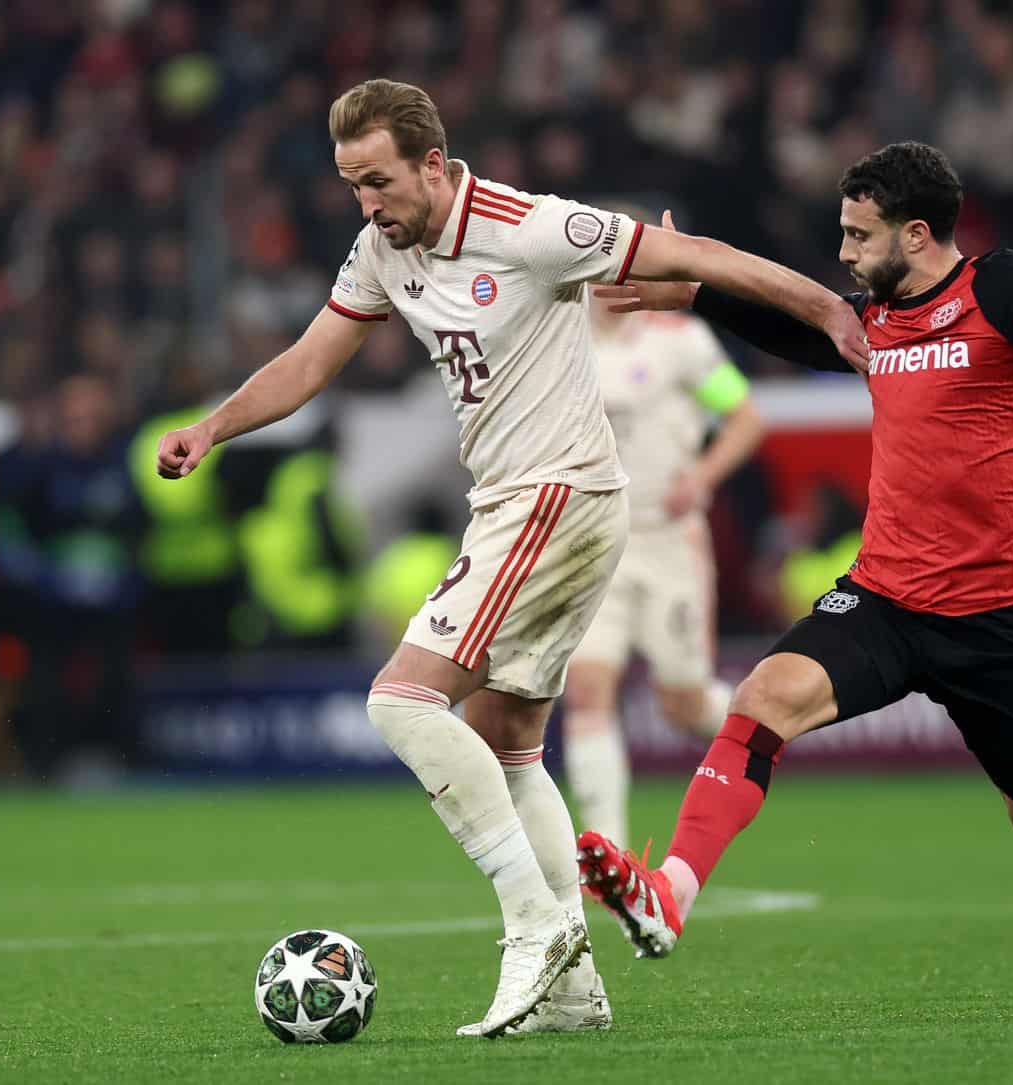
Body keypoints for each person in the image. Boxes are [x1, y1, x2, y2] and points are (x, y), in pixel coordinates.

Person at [156, 79, 864, 1038]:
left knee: (398, 701)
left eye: (378, 181)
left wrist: (827, 307)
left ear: (434, 166)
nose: (366, 204)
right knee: (506, 742)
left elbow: (694, 255)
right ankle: (571, 991)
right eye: (351, 184)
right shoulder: (380, 251)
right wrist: (214, 426)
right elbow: (307, 361)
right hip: (522, 505)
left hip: (556, 497)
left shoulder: (531, 228)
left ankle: (535, 928)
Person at [578, 141, 1013, 1018]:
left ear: (917, 234)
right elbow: (784, 323)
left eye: (857, 234)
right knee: (763, 697)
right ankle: (671, 893)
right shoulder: (875, 322)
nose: (843, 253)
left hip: (994, 623)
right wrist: (692, 286)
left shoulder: (999, 291)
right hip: (885, 598)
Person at [563, 239, 765, 849]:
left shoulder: (683, 342)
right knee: (587, 690)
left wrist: (701, 478)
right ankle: (606, 852)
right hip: (594, 541)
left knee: (681, 703)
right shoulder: (561, 342)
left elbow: (745, 417)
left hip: (668, 541)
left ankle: (765, 726)